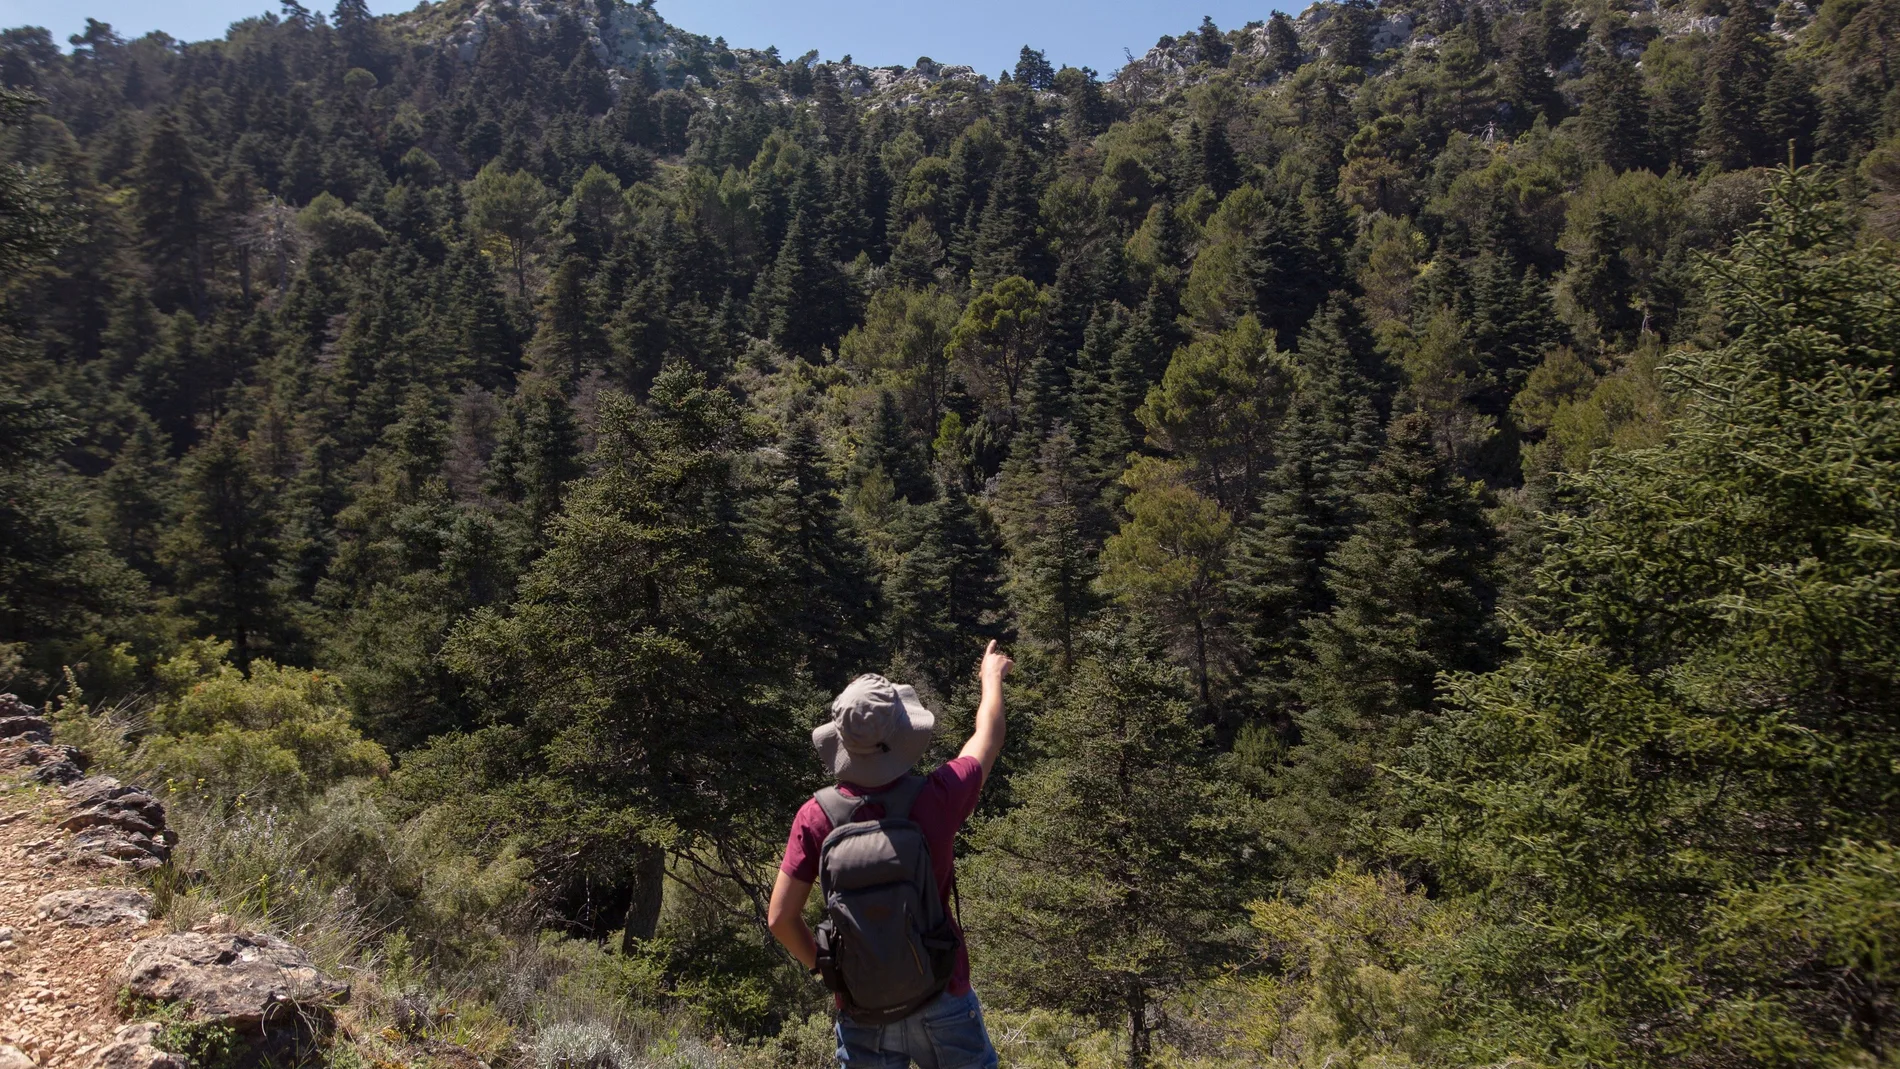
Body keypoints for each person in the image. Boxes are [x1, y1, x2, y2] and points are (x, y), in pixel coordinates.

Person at [768, 641, 1014, 1069]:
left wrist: (831, 973)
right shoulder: (939, 796)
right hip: (942, 995)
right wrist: (990, 678)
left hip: (863, 1009)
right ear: (903, 735)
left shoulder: (815, 817)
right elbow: (987, 738)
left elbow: (780, 919)